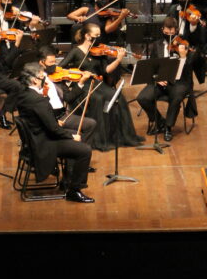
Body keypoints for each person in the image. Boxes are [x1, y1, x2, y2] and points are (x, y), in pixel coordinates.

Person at [16, 62, 94, 203]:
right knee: (84, 149)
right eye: (42, 77)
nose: (44, 80)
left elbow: (39, 119)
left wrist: (54, 122)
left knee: (74, 141)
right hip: (44, 143)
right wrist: (72, 136)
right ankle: (74, 190)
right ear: (34, 80)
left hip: (36, 137)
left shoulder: (23, 94)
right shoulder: (39, 100)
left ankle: (68, 180)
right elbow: (54, 130)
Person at [60, 23, 142, 151]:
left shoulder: (98, 51)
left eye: (99, 35)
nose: (99, 37)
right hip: (83, 85)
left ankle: (118, 136)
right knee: (98, 99)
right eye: (96, 35)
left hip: (98, 83)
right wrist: (78, 74)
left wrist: (118, 60)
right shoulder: (76, 51)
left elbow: (106, 70)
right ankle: (99, 139)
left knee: (118, 98)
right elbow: (61, 68)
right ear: (87, 36)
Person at [136, 17, 195, 142]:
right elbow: (152, 67)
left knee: (177, 97)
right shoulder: (156, 45)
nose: (169, 36)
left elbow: (190, 69)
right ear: (162, 30)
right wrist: (156, 79)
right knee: (143, 98)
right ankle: (160, 122)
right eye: (167, 33)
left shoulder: (183, 44)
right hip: (160, 81)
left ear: (176, 31)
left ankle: (168, 127)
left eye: (172, 33)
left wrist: (183, 57)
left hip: (179, 82)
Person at [38, 46, 97, 149]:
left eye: (55, 62)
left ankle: (82, 154)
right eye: (51, 63)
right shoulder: (36, 80)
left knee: (91, 124)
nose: (55, 66)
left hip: (62, 115)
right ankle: (76, 155)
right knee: (76, 134)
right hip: (51, 119)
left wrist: (81, 82)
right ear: (41, 63)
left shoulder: (58, 78)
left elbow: (69, 98)